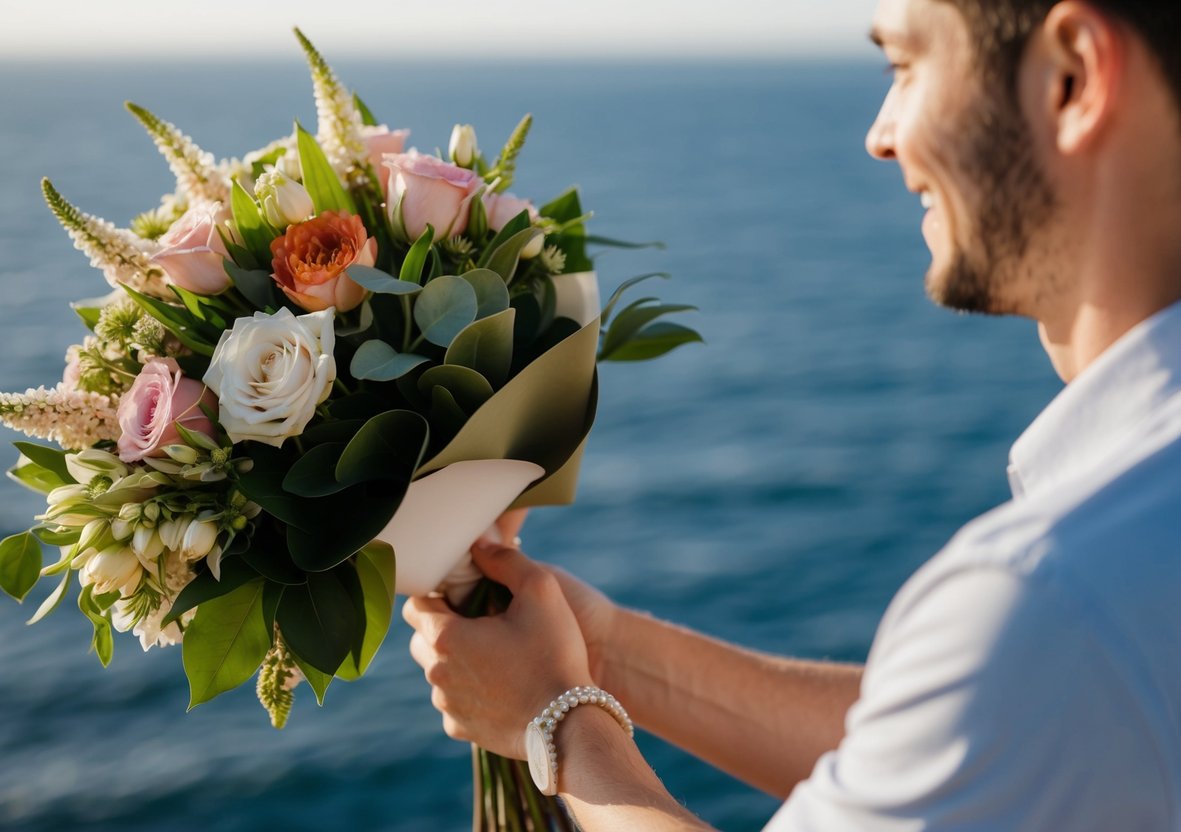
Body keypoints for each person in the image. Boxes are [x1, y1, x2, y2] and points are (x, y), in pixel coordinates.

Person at [403, 0, 1181, 828]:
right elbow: (995, 731)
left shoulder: (1053, 596)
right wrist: (604, 652)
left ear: (1072, 79)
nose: (880, 135)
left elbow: (1027, 676)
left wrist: (557, 714)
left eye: (906, 66)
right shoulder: (1100, 593)